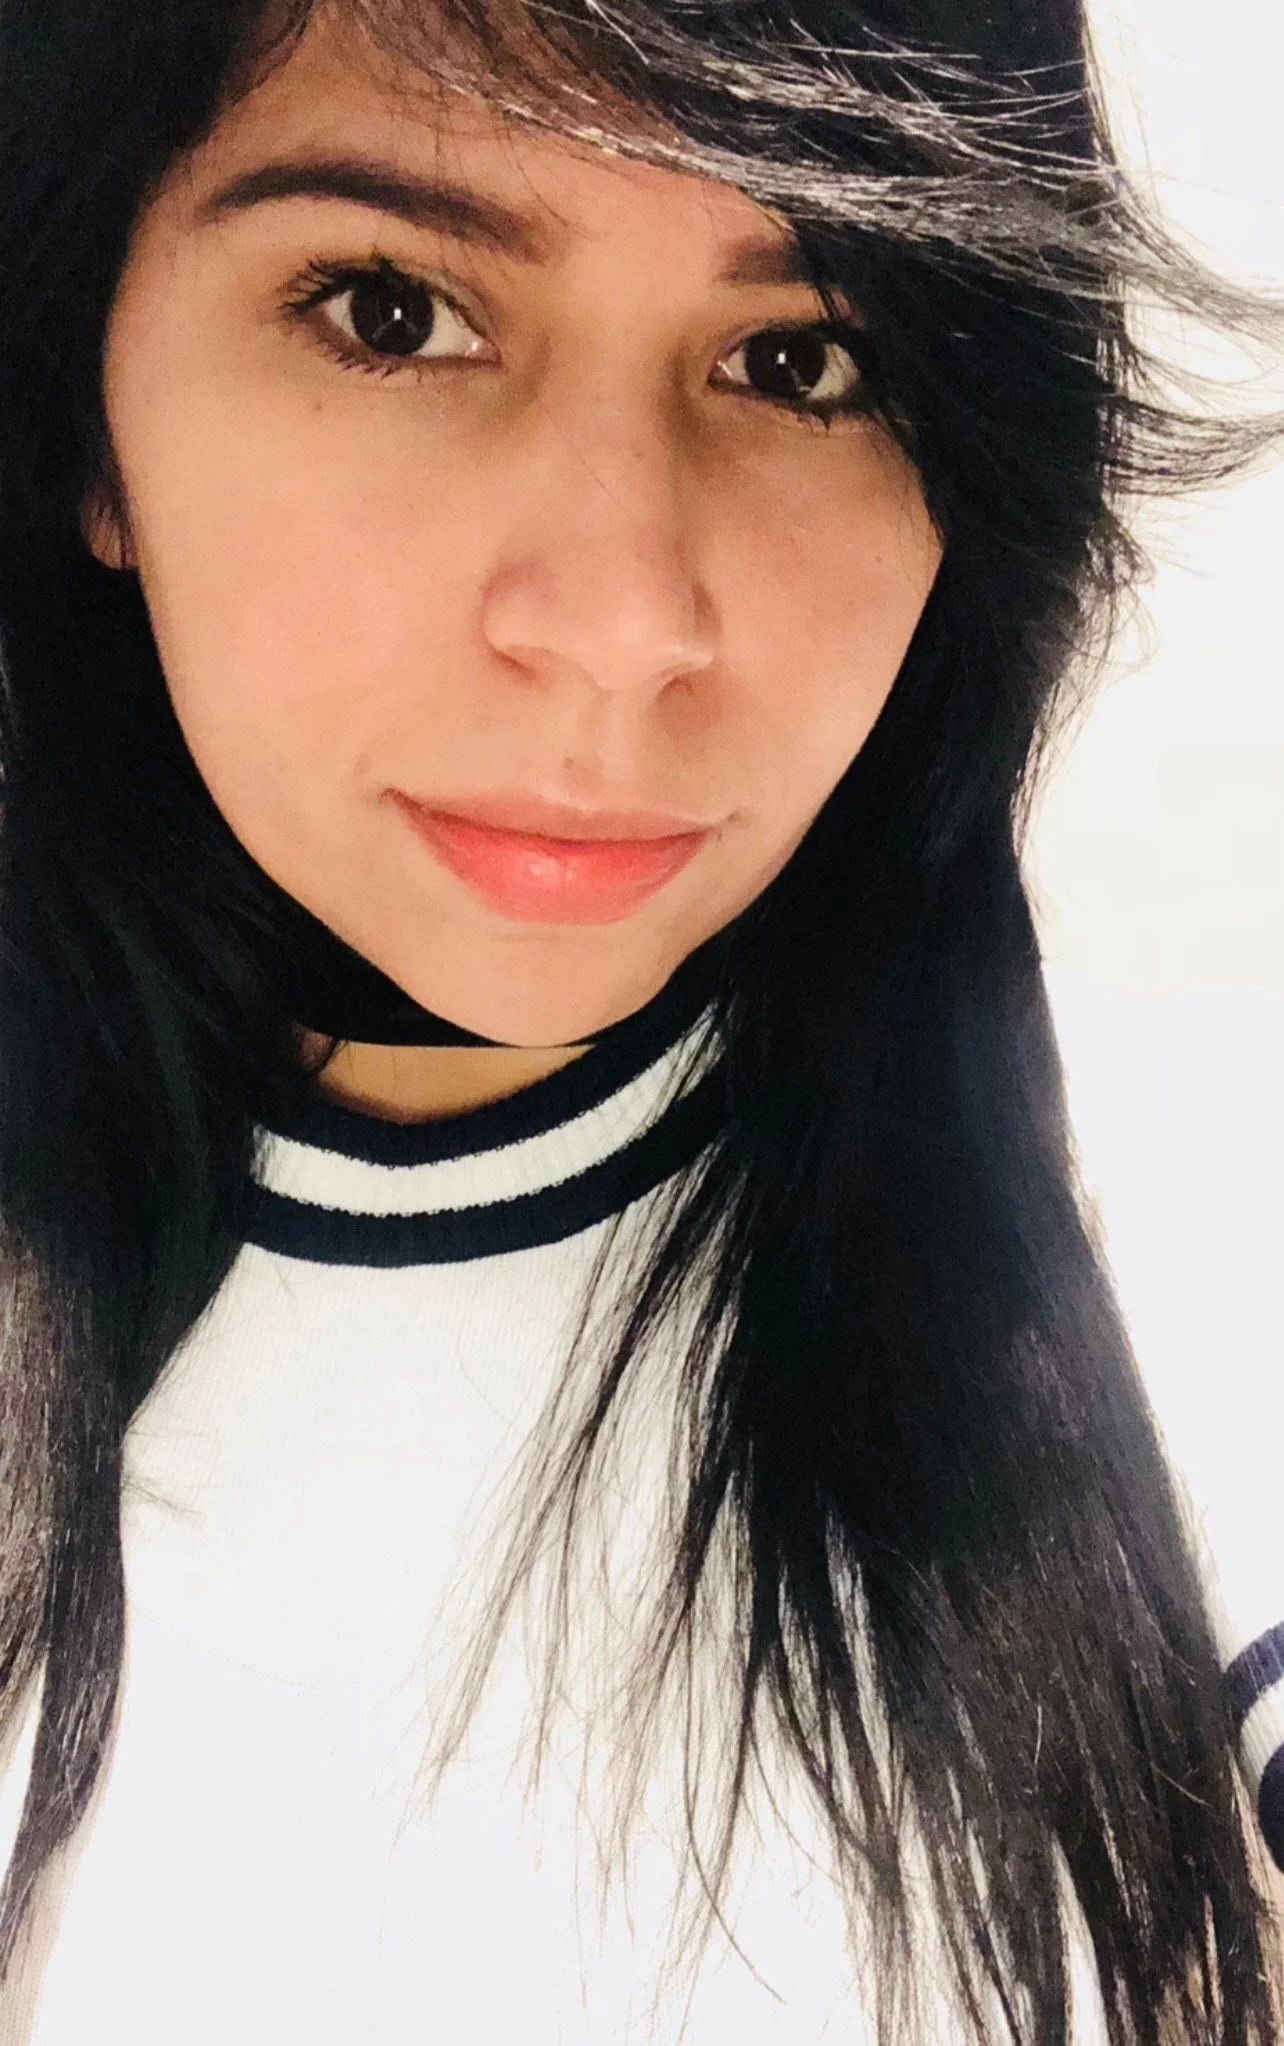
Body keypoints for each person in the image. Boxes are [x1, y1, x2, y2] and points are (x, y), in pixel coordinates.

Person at [0, 0, 1279, 2038]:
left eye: (804, 360)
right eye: (394, 311)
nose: (623, 623)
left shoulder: (1198, 1223)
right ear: (86, 418)